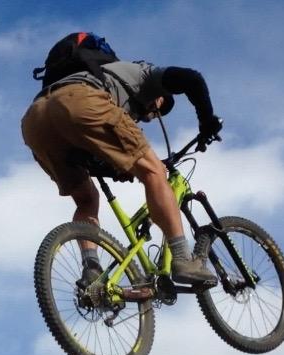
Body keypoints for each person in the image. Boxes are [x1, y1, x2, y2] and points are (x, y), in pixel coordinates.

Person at [21, 56, 222, 285]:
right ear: (160, 97)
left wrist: (117, 168)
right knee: (155, 172)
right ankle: (183, 258)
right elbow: (192, 78)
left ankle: (92, 270)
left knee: (86, 200)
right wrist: (207, 122)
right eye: (158, 109)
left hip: (36, 120)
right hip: (81, 101)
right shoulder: (147, 75)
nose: (152, 115)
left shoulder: (107, 80)